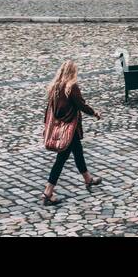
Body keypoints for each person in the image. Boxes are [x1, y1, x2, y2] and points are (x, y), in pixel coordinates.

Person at [41, 60, 100, 207]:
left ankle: (88, 178)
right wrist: (94, 113)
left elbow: (49, 110)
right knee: (61, 159)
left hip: (64, 127)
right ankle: (48, 192)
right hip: (69, 128)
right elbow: (81, 104)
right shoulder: (71, 87)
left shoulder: (54, 87)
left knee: (78, 152)